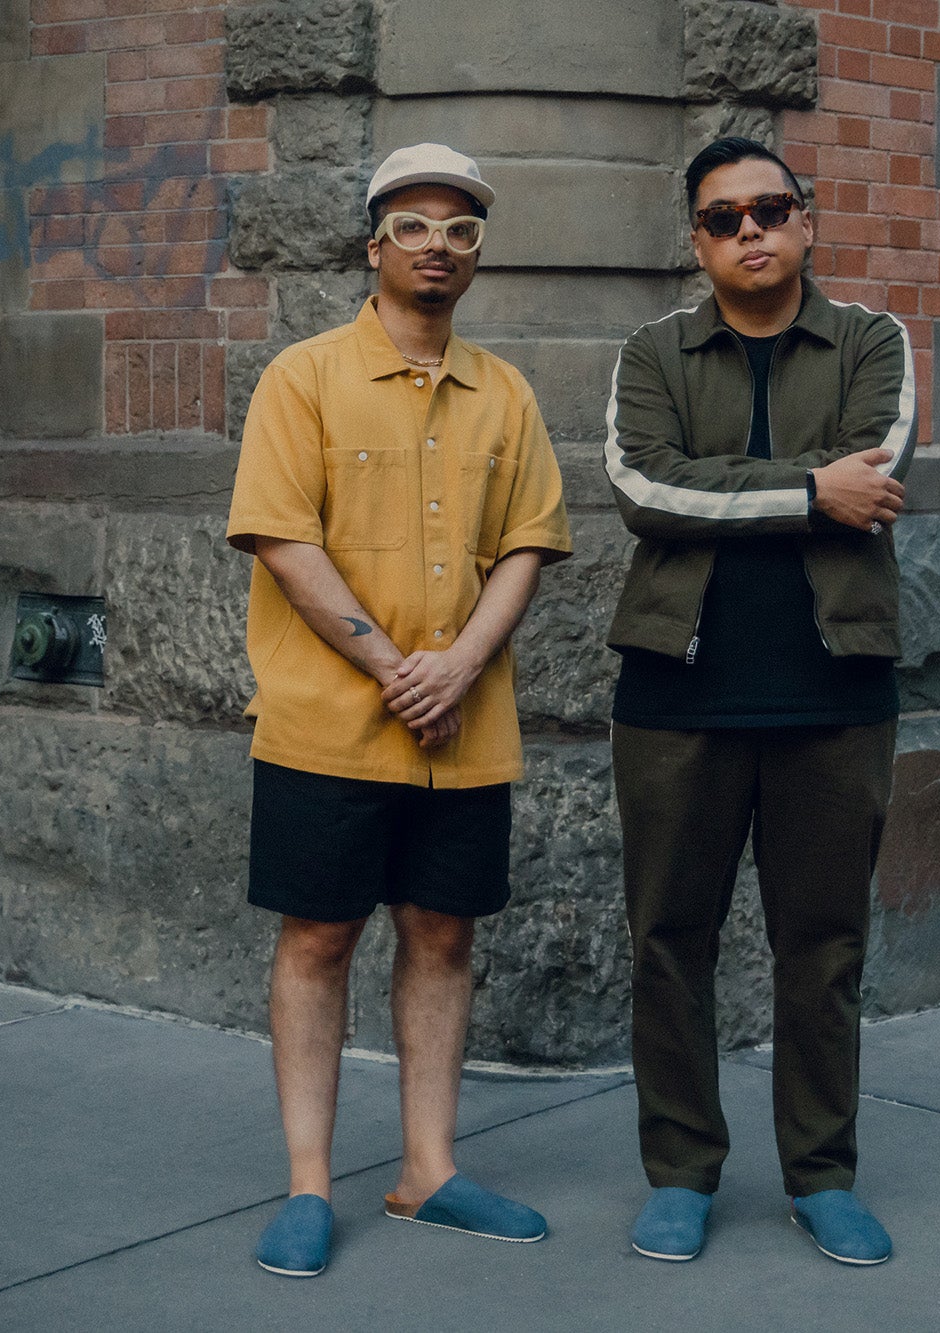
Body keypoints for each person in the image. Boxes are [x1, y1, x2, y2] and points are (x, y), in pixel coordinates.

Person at [225, 143, 573, 1278]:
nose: (437, 245)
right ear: (373, 244)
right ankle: (310, 1183)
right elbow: (283, 537)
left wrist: (462, 665)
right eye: (414, 225)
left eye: (460, 228)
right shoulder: (303, 377)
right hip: (330, 721)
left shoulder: (505, 394)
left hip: (462, 727)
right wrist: (393, 668)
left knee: (442, 933)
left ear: (477, 252)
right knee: (318, 935)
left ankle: (428, 1169)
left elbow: (526, 543)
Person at [603, 136, 915, 1267]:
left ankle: (821, 1173)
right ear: (695, 239)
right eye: (724, 217)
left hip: (832, 692)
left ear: (805, 222)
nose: (750, 231)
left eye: (770, 210)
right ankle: (680, 1170)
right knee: (667, 941)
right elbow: (642, 488)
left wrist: (744, 491)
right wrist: (803, 489)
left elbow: (873, 475)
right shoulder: (652, 351)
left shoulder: (872, 341)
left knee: (821, 946)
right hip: (676, 693)